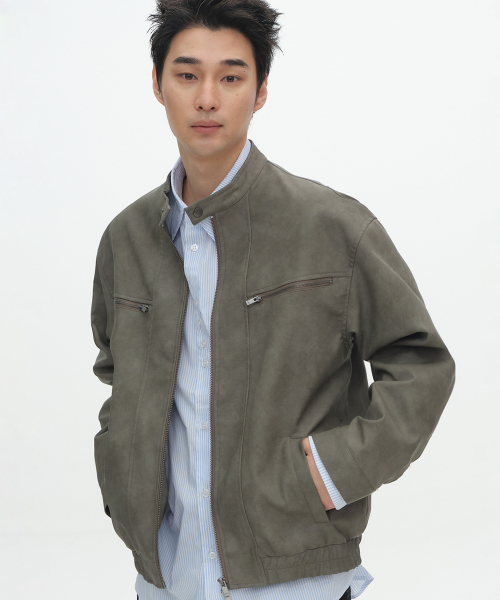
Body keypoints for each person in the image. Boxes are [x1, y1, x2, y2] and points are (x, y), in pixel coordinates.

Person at [90, 1, 456, 599]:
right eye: (187, 75)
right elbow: (117, 374)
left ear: (260, 91)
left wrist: (328, 473)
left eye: (231, 77)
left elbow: (421, 365)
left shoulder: (333, 226)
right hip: (165, 575)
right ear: (158, 85)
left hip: (295, 578)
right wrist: (121, 474)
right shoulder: (126, 238)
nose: (207, 98)